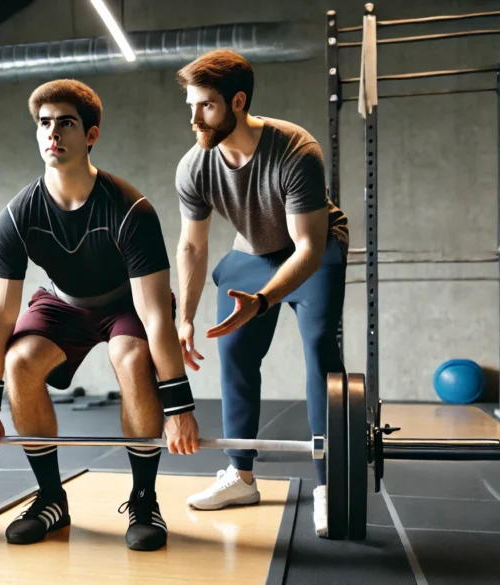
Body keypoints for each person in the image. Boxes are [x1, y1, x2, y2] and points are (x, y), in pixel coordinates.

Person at [0, 79, 200, 552]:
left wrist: (180, 409)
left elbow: (155, 315)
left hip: (125, 303)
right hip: (63, 302)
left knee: (133, 358)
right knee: (19, 363)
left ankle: (143, 498)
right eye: (44, 124)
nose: (53, 133)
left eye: (66, 123)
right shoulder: (17, 216)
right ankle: (51, 499)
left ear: (91, 135)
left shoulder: (130, 209)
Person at [171, 50, 349, 538]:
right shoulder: (196, 166)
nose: (194, 118)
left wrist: (265, 300)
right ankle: (240, 475)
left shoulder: (295, 149)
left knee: (320, 355)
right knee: (234, 353)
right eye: (190, 105)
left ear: (238, 101)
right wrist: (184, 316)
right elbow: (191, 243)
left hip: (314, 250)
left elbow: (308, 249)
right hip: (251, 252)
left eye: (206, 106)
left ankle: (329, 484)